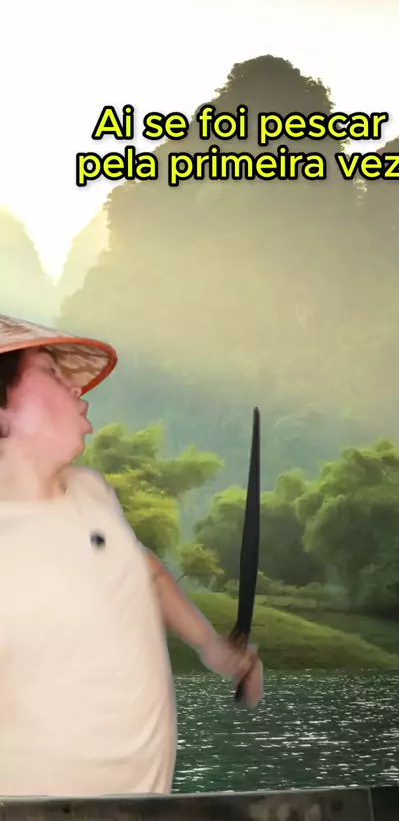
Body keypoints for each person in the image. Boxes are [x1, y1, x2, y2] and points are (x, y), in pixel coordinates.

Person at [0, 313, 263, 797]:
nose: (76, 389)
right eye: (51, 373)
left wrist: (209, 645)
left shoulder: (91, 491)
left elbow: (145, 572)